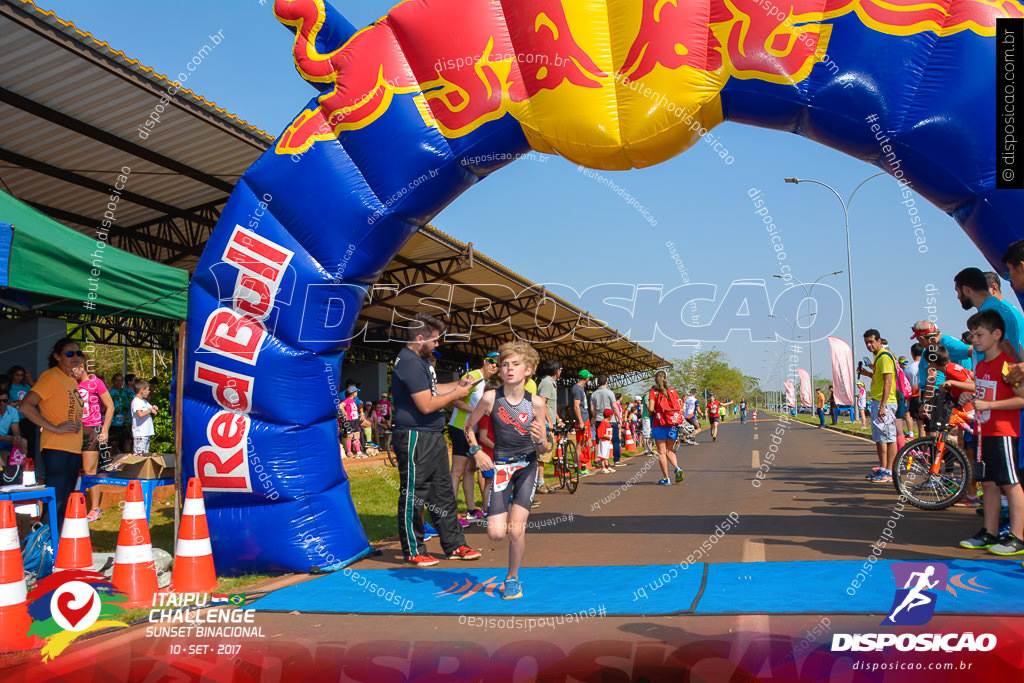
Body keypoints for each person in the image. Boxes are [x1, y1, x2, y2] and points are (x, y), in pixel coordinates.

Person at [391, 312, 481, 567]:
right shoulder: (408, 361)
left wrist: (458, 385)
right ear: (420, 338)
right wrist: (459, 393)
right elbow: (427, 404)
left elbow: (432, 390)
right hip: (415, 435)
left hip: (432, 436)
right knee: (415, 494)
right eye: (434, 340)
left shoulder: (421, 362)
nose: (437, 344)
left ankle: (454, 544)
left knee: (442, 493)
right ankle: (413, 549)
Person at [465, 341, 548, 600]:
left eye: (516, 364)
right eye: (504, 364)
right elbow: (468, 427)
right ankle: (510, 566)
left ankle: (512, 578)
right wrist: (477, 452)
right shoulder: (491, 398)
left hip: (526, 467)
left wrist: (541, 439)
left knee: (515, 530)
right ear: (499, 370)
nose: (509, 369)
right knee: (496, 534)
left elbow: (546, 448)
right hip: (501, 467)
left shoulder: (536, 403)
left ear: (529, 370)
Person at [952, 310, 1024, 555]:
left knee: (1011, 484)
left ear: (996, 334)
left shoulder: (1009, 364)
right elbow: (984, 394)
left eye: (979, 334)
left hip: (1003, 432)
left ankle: (1018, 537)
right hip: (984, 431)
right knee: (990, 484)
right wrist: (970, 396)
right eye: (972, 334)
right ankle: (990, 532)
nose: (974, 339)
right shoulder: (981, 365)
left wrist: (990, 406)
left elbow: (1022, 398)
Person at [18, 338, 84, 526]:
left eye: (78, 353)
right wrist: (54, 428)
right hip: (56, 447)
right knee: (56, 502)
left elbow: (67, 414)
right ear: (57, 356)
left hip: (74, 448)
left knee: (65, 501)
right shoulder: (51, 376)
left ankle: (57, 545)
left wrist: (87, 430)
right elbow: (25, 406)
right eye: (69, 353)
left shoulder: (71, 381)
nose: (75, 357)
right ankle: (47, 546)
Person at [448, 352, 498, 523]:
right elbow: (455, 399)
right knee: (457, 471)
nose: (494, 366)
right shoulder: (474, 376)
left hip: (473, 430)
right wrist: (477, 412)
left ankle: (471, 510)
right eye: (492, 362)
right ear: (485, 361)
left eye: (498, 364)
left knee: (470, 469)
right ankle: (451, 515)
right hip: (460, 426)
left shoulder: (486, 383)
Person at [73, 356, 114, 521]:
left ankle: (95, 508)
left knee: (90, 471)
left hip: (92, 429)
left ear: (82, 367)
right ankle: (75, 505)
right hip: (73, 431)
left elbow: (110, 405)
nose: (70, 373)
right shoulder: (69, 384)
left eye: (73, 370)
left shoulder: (95, 382)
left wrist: (104, 430)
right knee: (72, 469)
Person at [954, 267, 1024, 361]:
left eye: (958, 291)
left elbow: (1005, 354)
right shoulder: (1001, 308)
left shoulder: (990, 313)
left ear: (966, 290)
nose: (958, 297)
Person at [858, 329, 899, 483]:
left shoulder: (884, 357)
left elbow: (889, 381)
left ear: (879, 341)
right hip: (877, 401)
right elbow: (879, 378)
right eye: (866, 343)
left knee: (887, 438)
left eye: (871, 342)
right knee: (879, 438)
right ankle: (883, 468)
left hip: (885, 402)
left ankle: (888, 471)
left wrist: (883, 405)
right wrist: (867, 373)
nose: (869, 345)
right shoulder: (878, 358)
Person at [648, 370, 685, 485]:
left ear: (655, 379)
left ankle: (666, 478)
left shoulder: (653, 392)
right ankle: (677, 468)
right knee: (669, 450)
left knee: (662, 452)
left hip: (659, 424)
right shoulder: (673, 391)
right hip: (672, 424)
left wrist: (652, 411)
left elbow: (650, 409)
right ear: (666, 379)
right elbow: (679, 406)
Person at [534, 359, 562, 494]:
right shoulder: (547, 383)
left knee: (544, 454)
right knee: (542, 454)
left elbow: (550, 405)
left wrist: (558, 419)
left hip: (548, 422)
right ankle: (539, 483)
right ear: (557, 371)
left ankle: (539, 483)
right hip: (544, 425)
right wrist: (549, 422)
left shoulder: (551, 383)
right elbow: (542, 402)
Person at [590, 375, 622, 464]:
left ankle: (597, 459)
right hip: (610, 419)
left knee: (599, 439)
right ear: (606, 383)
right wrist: (618, 417)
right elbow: (615, 406)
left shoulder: (594, 394)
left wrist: (593, 417)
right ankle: (616, 460)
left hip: (599, 419)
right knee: (615, 440)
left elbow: (592, 408)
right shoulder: (609, 393)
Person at [7, 366, 35, 460]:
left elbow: (38, 391)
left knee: (29, 442)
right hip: (13, 419)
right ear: (12, 375)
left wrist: (29, 378)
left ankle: (28, 464)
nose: (19, 377)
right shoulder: (9, 387)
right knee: (16, 442)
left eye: (21, 375)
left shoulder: (26, 386)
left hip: (26, 418)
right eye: (17, 375)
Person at [571, 370, 595, 475]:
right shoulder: (577, 389)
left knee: (585, 443)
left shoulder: (580, 389)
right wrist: (581, 421)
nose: (589, 379)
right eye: (589, 377)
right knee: (580, 444)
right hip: (582, 420)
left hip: (585, 419)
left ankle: (583, 466)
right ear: (586, 378)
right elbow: (576, 406)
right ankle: (577, 468)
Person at [0, 390, 28, 466]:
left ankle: (21, 469)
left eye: (4, 401)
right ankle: (4, 472)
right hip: (5, 439)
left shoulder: (12, 411)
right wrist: (11, 439)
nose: (1, 403)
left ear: (8, 401)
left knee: (23, 441)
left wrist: (17, 438)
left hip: (5, 439)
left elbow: (16, 431)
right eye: (0, 401)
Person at [131, 379, 158, 455]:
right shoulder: (136, 401)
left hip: (146, 433)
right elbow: (140, 414)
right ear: (142, 390)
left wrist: (154, 407)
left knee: (145, 454)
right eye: (148, 390)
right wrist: (150, 410)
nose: (149, 392)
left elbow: (150, 408)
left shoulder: (144, 401)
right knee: (139, 455)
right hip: (140, 433)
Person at [340, 386, 364, 457]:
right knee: (349, 436)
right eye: (356, 392)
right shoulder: (347, 400)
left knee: (357, 435)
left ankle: (358, 452)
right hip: (349, 420)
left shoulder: (353, 400)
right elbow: (340, 406)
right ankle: (349, 452)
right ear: (353, 393)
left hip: (355, 420)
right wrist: (345, 414)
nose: (357, 393)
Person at [595, 408, 615, 473]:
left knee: (606, 454)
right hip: (604, 441)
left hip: (607, 441)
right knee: (603, 454)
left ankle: (607, 466)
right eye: (611, 416)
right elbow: (600, 432)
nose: (612, 417)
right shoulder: (603, 423)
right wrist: (605, 436)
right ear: (609, 416)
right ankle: (602, 467)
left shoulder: (607, 423)